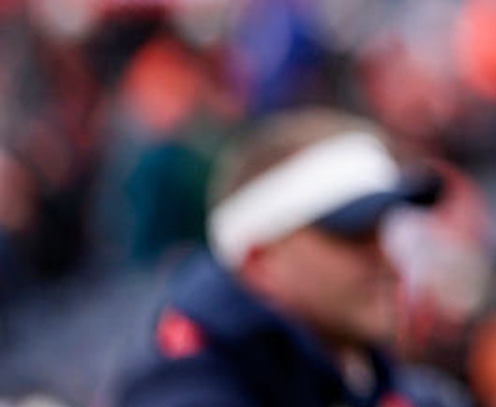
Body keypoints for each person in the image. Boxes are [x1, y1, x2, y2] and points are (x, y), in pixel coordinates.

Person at [105, 106, 461, 407]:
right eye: (352, 235)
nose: (386, 262)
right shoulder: (187, 390)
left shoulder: (402, 391)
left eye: (383, 232)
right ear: (259, 261)